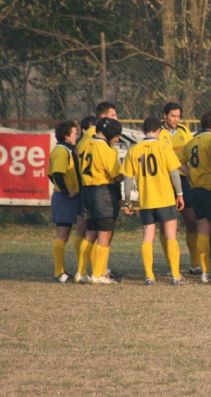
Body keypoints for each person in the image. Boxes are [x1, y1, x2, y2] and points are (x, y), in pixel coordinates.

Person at [121, 117, 185, 285]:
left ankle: (149, 276)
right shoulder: (163, 147)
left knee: (148, 236)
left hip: (146, 201)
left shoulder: (134, 150)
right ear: (158, 131)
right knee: (171, 235)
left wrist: (127, 201)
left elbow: (128, 180)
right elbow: (174, 173)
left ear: (143, 131)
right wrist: (179, 194)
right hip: (165, 199)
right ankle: (175, 275)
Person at [75, 102, 118, 280]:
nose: (116, 118)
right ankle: (99, 273)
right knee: (104, 232)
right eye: (113, 115)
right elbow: (115, 174)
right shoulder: (103, 144)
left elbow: (77, 153)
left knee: (91, 231)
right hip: (102, 191)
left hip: (87, 190)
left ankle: (81, 272)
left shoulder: (88, 140)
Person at [181, 111, 211, 283]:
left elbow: (180, 163)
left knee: (202, 227)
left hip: (196, 189)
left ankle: (205, 271)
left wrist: (191, 174)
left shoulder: (191, 142)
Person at [158, 102, 197, 273]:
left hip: (183, 181)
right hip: (165, 182)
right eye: (172, 116)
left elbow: (190, 153)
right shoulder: (159, 133)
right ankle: (171, 264)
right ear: (165, 115)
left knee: (192, 221)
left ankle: (195, 263)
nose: (176, 119)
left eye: (178, 116)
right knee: (167, 225)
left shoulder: (184, 131)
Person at [48, 120, 80, 283]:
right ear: (67, 136)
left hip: (67, 197)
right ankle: (58, 272)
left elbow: (49, 174)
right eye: (75, 133)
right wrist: (67, 191)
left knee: (66, 234)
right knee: (62, 233)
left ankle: (62, 271)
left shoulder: (67, 150)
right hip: (64, 198)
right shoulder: (61, 151)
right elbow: (57, 174)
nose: (77, 136)